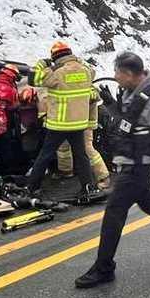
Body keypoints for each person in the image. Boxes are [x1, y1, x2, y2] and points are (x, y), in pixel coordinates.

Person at [75, 51, 150, 289]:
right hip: (131, 161)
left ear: (129, 74)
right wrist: (110, 104)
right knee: (148, 202)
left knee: (114, 212)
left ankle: (104, 268)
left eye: (118, 72)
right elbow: (127, 123)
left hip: (139, 164)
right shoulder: (131, 92)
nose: (115, 76)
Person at [23, 41, 97, 197]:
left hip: (59, 124)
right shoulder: (86, 71)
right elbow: (92, 71)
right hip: (78, 123)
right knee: (81, 155)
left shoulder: (56, 74)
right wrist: (78, 61)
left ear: (55, 57)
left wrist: (41, 63)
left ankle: (32, 187)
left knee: (45, 155)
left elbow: (32, 79)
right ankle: (89, 187)